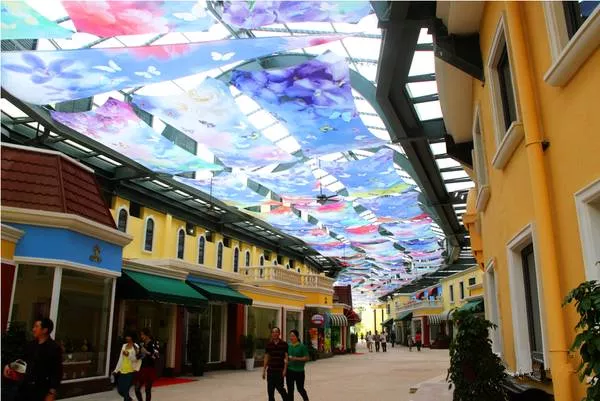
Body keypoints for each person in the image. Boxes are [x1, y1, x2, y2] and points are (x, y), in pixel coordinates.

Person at [3, 318, 62, 401]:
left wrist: (51, 392)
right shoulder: (31, 345)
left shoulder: (54, 348)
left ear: (44, 330)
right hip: (24, 387)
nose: (33, 329)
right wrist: (9, 366)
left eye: (36, 327)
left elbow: (57, 372)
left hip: (40, 390)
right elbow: (20, 359)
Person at [263, 327, 288, 401]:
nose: (275, 333)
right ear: (271, 334)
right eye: (273, 332)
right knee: (270, 392)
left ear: (279, 333)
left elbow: (286, 358)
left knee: (280, 389)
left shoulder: (284, 344)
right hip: (270, 371)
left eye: (276, 332)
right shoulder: (269, 344)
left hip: (280, 371)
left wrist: (285, 370)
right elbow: (266, 357)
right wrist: (264, 370)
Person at [113, 333, 140, 401]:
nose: (126, 338)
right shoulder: (124, 345)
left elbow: (136, 359)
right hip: (122, 370)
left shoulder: (136, 346)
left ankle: (127, 399)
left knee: (126, 390)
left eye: (128, 336)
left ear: (132, 337)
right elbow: (120, 358)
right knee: (120, 390)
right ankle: (130, 399)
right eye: (126, 336)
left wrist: (128, 355)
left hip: (130, 371)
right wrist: (116, 370)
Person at [135, 328, 160, 401]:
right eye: (141, 335)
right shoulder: (141, 344)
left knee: (147, 389)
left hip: (150, 369)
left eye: (143, 334)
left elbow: (156, 356)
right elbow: (138, 357)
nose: (141, 336)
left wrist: (146, 352)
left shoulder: (153, 343)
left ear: (147, 335)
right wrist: (137, 353)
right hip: (142, 368)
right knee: (137, 388)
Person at [286, 329, 309, 401]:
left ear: (297, 337)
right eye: (290, 336)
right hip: (289, 371)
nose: (291, 338)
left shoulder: (302, 346)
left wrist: (296, 358)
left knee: (300, 389)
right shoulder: (288, 346)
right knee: (290, 390)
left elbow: (306, 358)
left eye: (293, 336)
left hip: (299, 371)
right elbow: (286, 356)